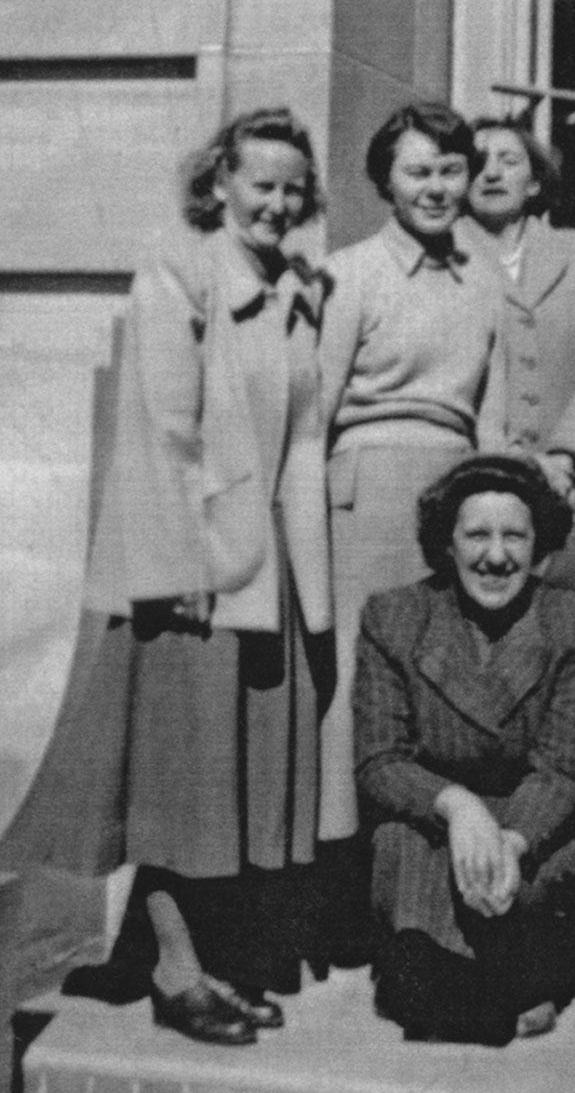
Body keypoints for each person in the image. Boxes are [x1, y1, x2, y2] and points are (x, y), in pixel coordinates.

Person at [44, 108, 334, 1043]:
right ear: (219, 185)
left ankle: (183, 955)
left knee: (234, 781)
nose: (280, 203)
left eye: (295, 187)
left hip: (267, 574)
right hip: (194, 575)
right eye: (262, 184)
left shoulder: (296, 285)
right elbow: (162, 428)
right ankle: (176, 975)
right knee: (183, 786)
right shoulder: (180, 267)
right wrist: (186, 570)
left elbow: (302, 437)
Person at [315, 102, 506, 938]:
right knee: (357, 687)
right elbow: (312, 412)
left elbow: (493, 414)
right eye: (419, 170)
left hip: (454, 491)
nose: (437, 187)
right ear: (386, 182)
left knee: (436, 686)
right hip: (364, 494)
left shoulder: (486, 274)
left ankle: (415, 884)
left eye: (452, 169)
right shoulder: (348, 273)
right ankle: (330, 894)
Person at [353, 454, 575, 1044]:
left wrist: (512, 840)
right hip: (432, 818)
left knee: (505, 916)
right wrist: (459, 807)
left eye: (515, 535)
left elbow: (567, 767)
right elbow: (380, 758)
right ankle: (474, 990)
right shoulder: (394, 617)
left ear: (539, 542)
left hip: (533, 821)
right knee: (409, 887)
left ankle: (500, 980)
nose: (496, 556)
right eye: (477, 535)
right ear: (447, 544)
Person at [461, 115, 575, 498]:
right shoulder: (445, 257)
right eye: (478, 161)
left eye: (509, 161)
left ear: (534, 182)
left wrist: (565, 458)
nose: (491, 173)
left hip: (565, 483)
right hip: (473, 479)